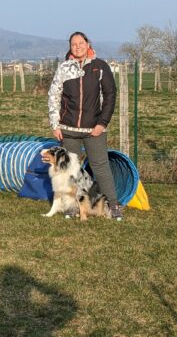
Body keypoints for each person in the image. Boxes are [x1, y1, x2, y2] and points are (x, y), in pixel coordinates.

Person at [47, 31, 123, 220]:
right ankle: (73, 207)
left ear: (88, 44)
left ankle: (112, 205)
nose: (78, 46)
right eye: (74, 44)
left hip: (94, 129)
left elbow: (110, 96)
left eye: (81, 43)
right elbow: (54, 96)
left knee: (100, 167)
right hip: (68, 129)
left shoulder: (100, 67)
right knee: (69, 171)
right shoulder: (64, 68)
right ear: (70, 47)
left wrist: (102, 123)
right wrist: (55, 124)